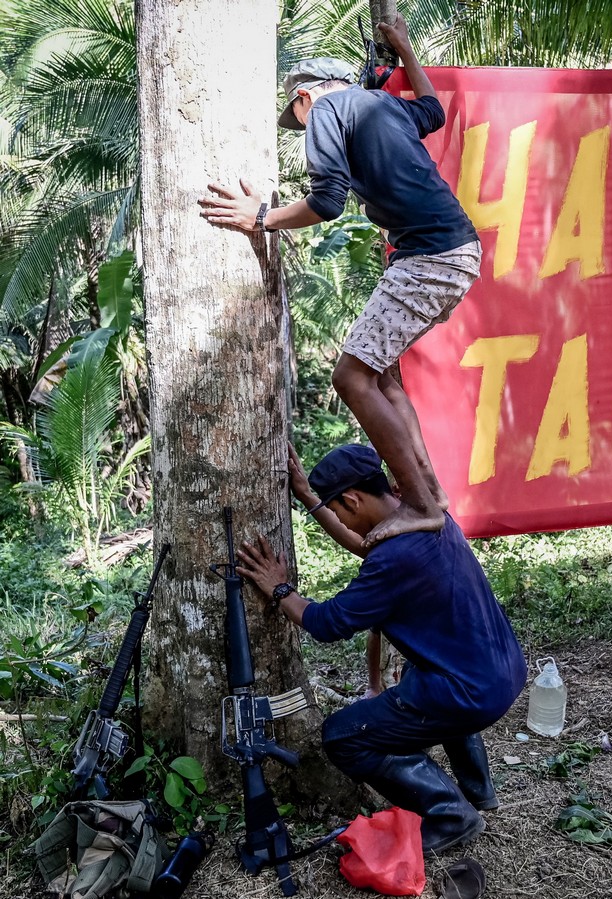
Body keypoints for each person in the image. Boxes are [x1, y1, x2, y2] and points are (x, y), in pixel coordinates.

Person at [199, 15, 479, 546]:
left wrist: (261, 217)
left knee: (349, 378)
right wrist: (404, 46)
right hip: (455, 250)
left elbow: (327, 201)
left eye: (298, 117)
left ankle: (419, 505)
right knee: (379, 377)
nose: (304, 127)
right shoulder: (382, 105)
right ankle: (431, 493)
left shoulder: (327, 110)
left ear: (304, 98)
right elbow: (434, 111)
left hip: (430, 256)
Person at [235, 443, 526, 855]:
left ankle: (450, 814)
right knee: (416, 675)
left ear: (353, 498)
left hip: (471, 693)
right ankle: (478, 789)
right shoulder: (428, 518)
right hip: (504, 670)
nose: (339, 518)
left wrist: (280, 589)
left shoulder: (393, 559)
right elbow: (367, 545)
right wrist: (312, 500)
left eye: (339, 510)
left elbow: (326, 623)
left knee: (342, 737)